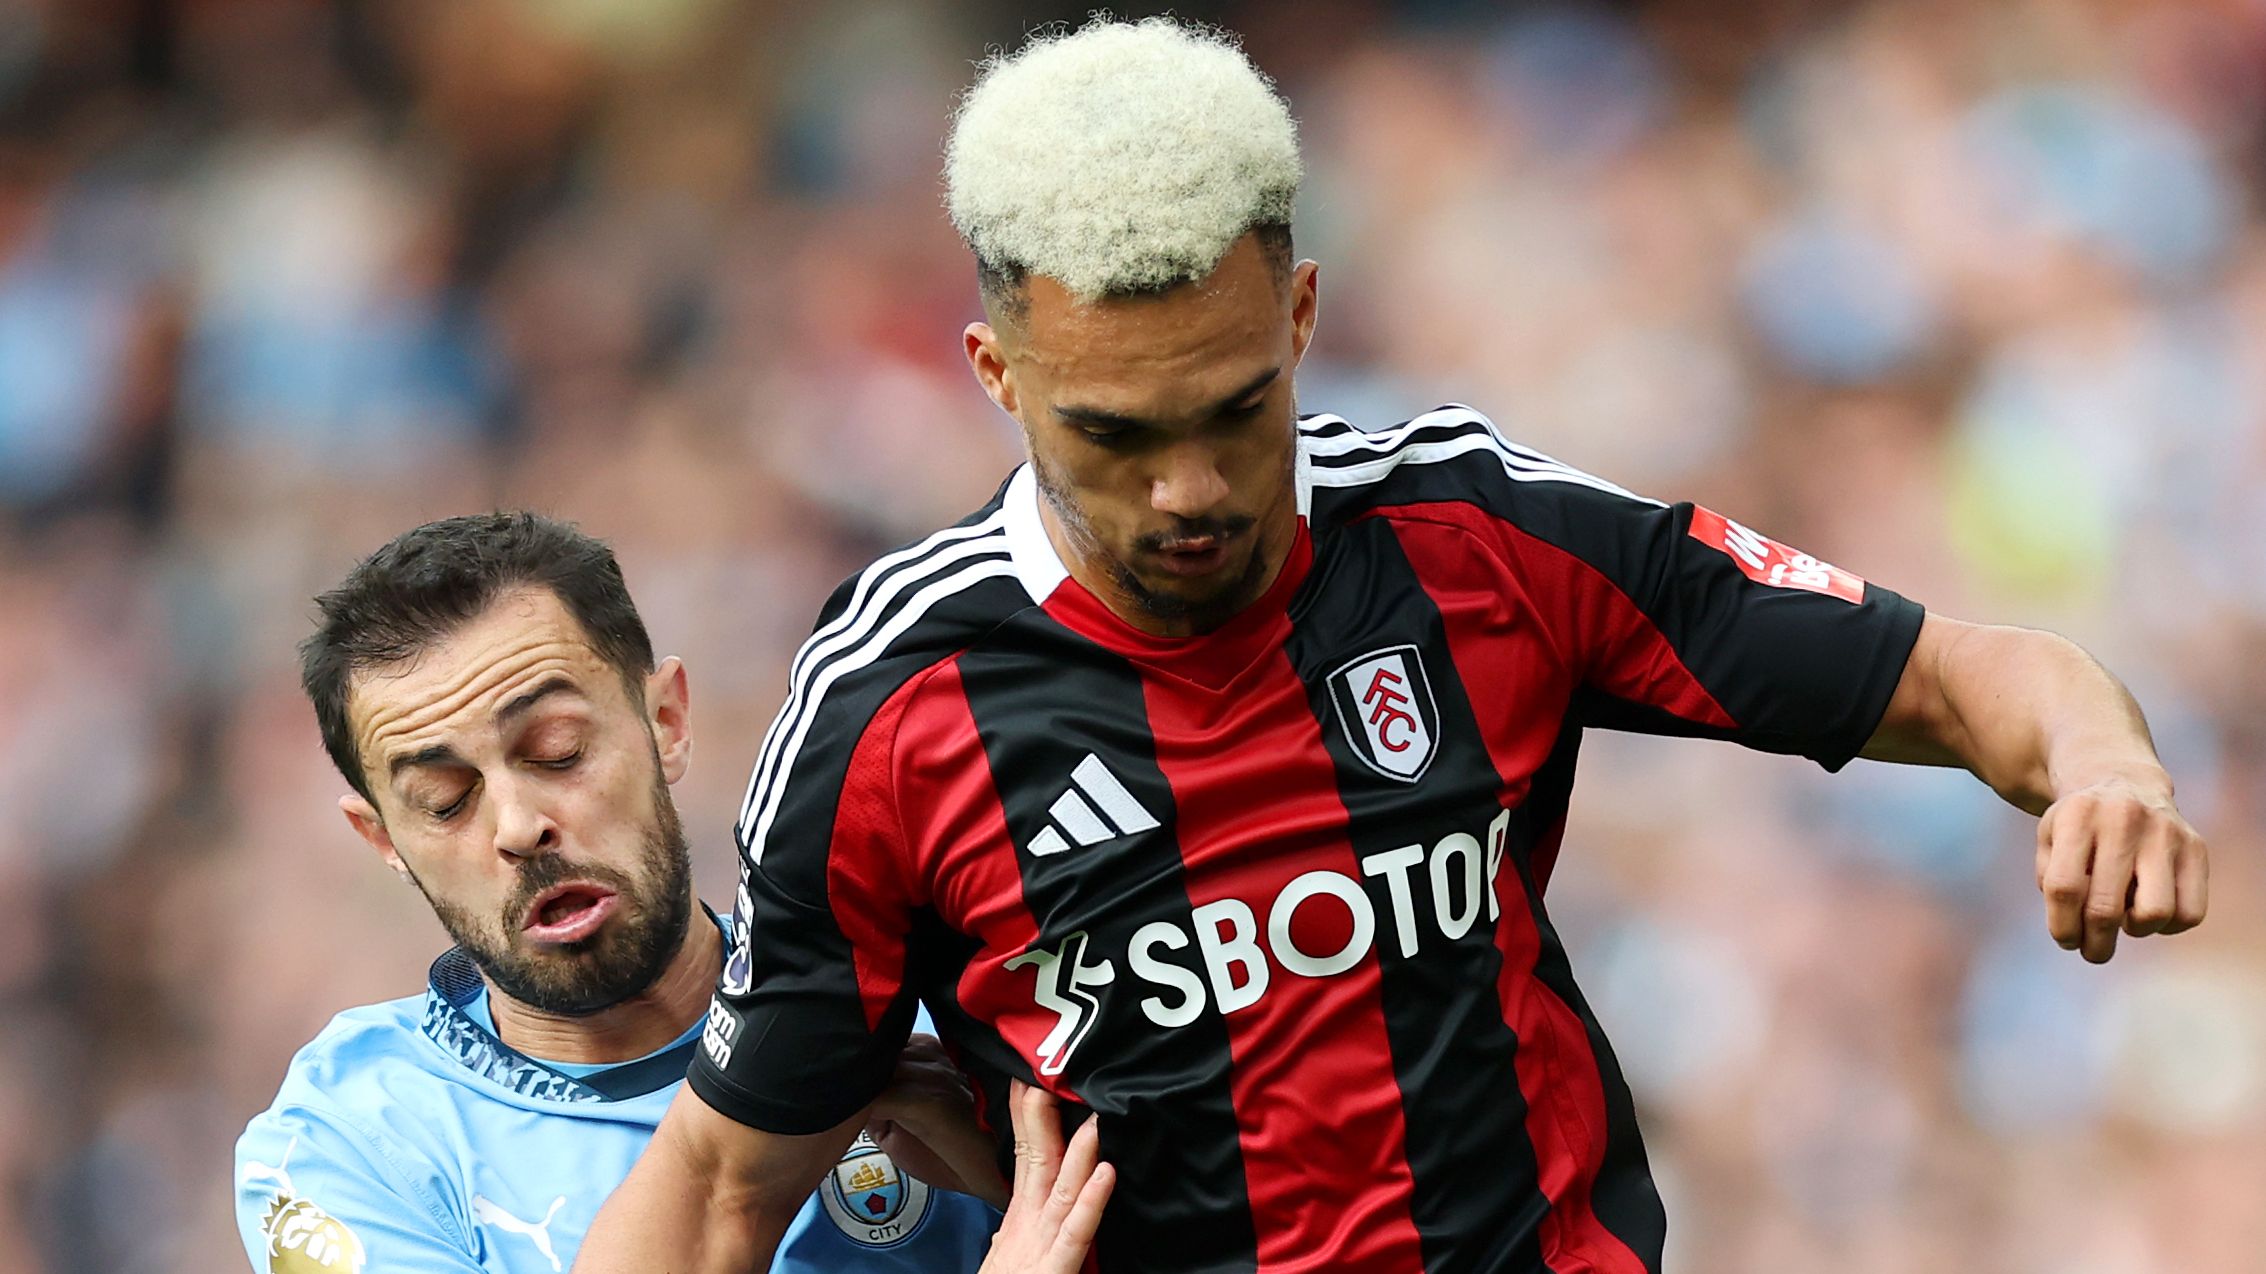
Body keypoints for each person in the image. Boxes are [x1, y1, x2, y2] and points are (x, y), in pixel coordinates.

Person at [574, 17, 2212, 1274]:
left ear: (1299, 320)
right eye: (1115, 434)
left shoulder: (1476, 537)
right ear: (995, 375)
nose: (1191, 489)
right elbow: (719, 1187)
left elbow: (1955, 675)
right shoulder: (889, 708)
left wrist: (2100, 759)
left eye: (1235, 409)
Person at [233, 512, 1008, 1274]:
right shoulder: (353, 1141)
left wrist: (1006, 1170)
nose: (517, 826)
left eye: (556, 752)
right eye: (443, 799)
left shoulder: (931, 995)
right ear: (384, 841)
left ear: (666, 722)